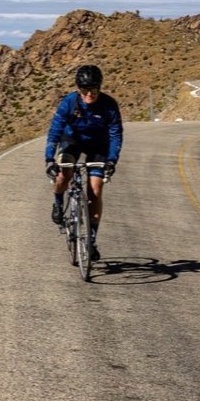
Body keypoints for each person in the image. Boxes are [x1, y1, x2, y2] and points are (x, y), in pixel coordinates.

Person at [45, 65, 124, 261]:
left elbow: (116, 134)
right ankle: (57, 203)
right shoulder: (69, 103)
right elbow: (55, 131)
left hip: (98, 146)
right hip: (71, 142)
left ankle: (91, 240)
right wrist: (49, 159)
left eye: (94, 90)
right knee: (64, 173)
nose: (89, 95)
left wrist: (112, 160)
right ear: (78, 89)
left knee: (95, 190)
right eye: (84, 91)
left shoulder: (109, 105)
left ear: (100, 88)